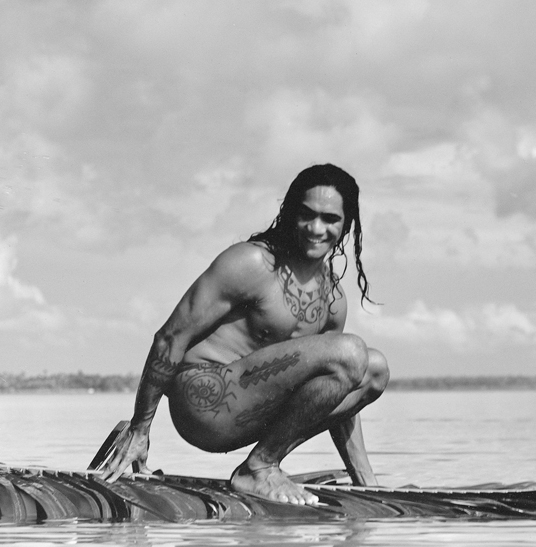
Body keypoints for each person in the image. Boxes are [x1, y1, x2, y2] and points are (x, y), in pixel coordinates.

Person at [94, 163, 388, 505]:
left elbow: (338, 388)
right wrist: (140, 429)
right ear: (291, 213)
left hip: (255, 418)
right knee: (351, 351)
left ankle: (264, 462)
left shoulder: (333, 301)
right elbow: (170, 337)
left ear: (346, 225)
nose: (315, 228)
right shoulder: (252, 264)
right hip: (201, 402)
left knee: (375, 368)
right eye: (306, 214)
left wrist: (366, 483)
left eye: (329, 219)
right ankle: (259, 468)